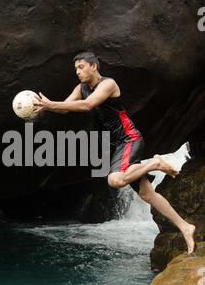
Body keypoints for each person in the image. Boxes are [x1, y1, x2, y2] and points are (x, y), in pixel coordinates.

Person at [33, 51, 195, 254]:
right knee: (146, 194)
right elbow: (66, 108)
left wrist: (51, 104)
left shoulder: (108, 84)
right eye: (75, 69)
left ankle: (155, 163)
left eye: (81, 67)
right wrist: (44, 106)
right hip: (114, 146)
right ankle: (186, 227)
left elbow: (87, 105)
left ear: (94, 66)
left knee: (115, 180)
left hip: (128, 139)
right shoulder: (81, 88)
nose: (77, 72)